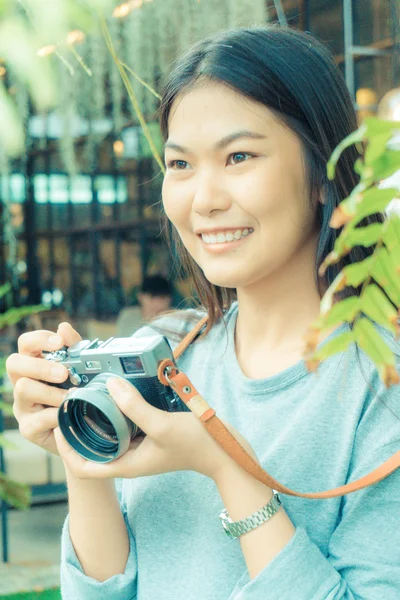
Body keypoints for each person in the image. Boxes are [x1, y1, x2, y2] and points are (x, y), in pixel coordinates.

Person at [6, 26, 400, 599]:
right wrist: (81, 448)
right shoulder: (165, 349)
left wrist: (224, 468)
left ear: (322, 172)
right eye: (180, 164)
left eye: (239, 156)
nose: (204, 199)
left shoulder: (381, 381)